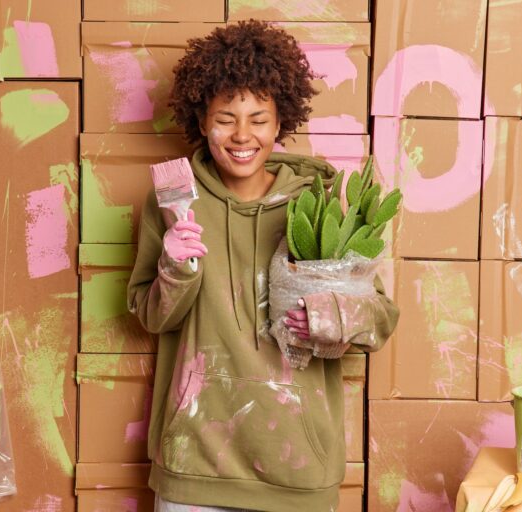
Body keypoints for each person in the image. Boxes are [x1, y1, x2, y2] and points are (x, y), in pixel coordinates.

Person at [127, 20, 398, 512]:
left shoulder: (324, 202)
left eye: (258, 118)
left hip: (299, 467)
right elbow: (151, 318)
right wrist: (175, 266)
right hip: (194, 467)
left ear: (280, 123)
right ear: (202, 121)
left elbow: (381, 317)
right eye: (225, 117)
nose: (242, 134)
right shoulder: (172, 203)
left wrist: (332, 317)